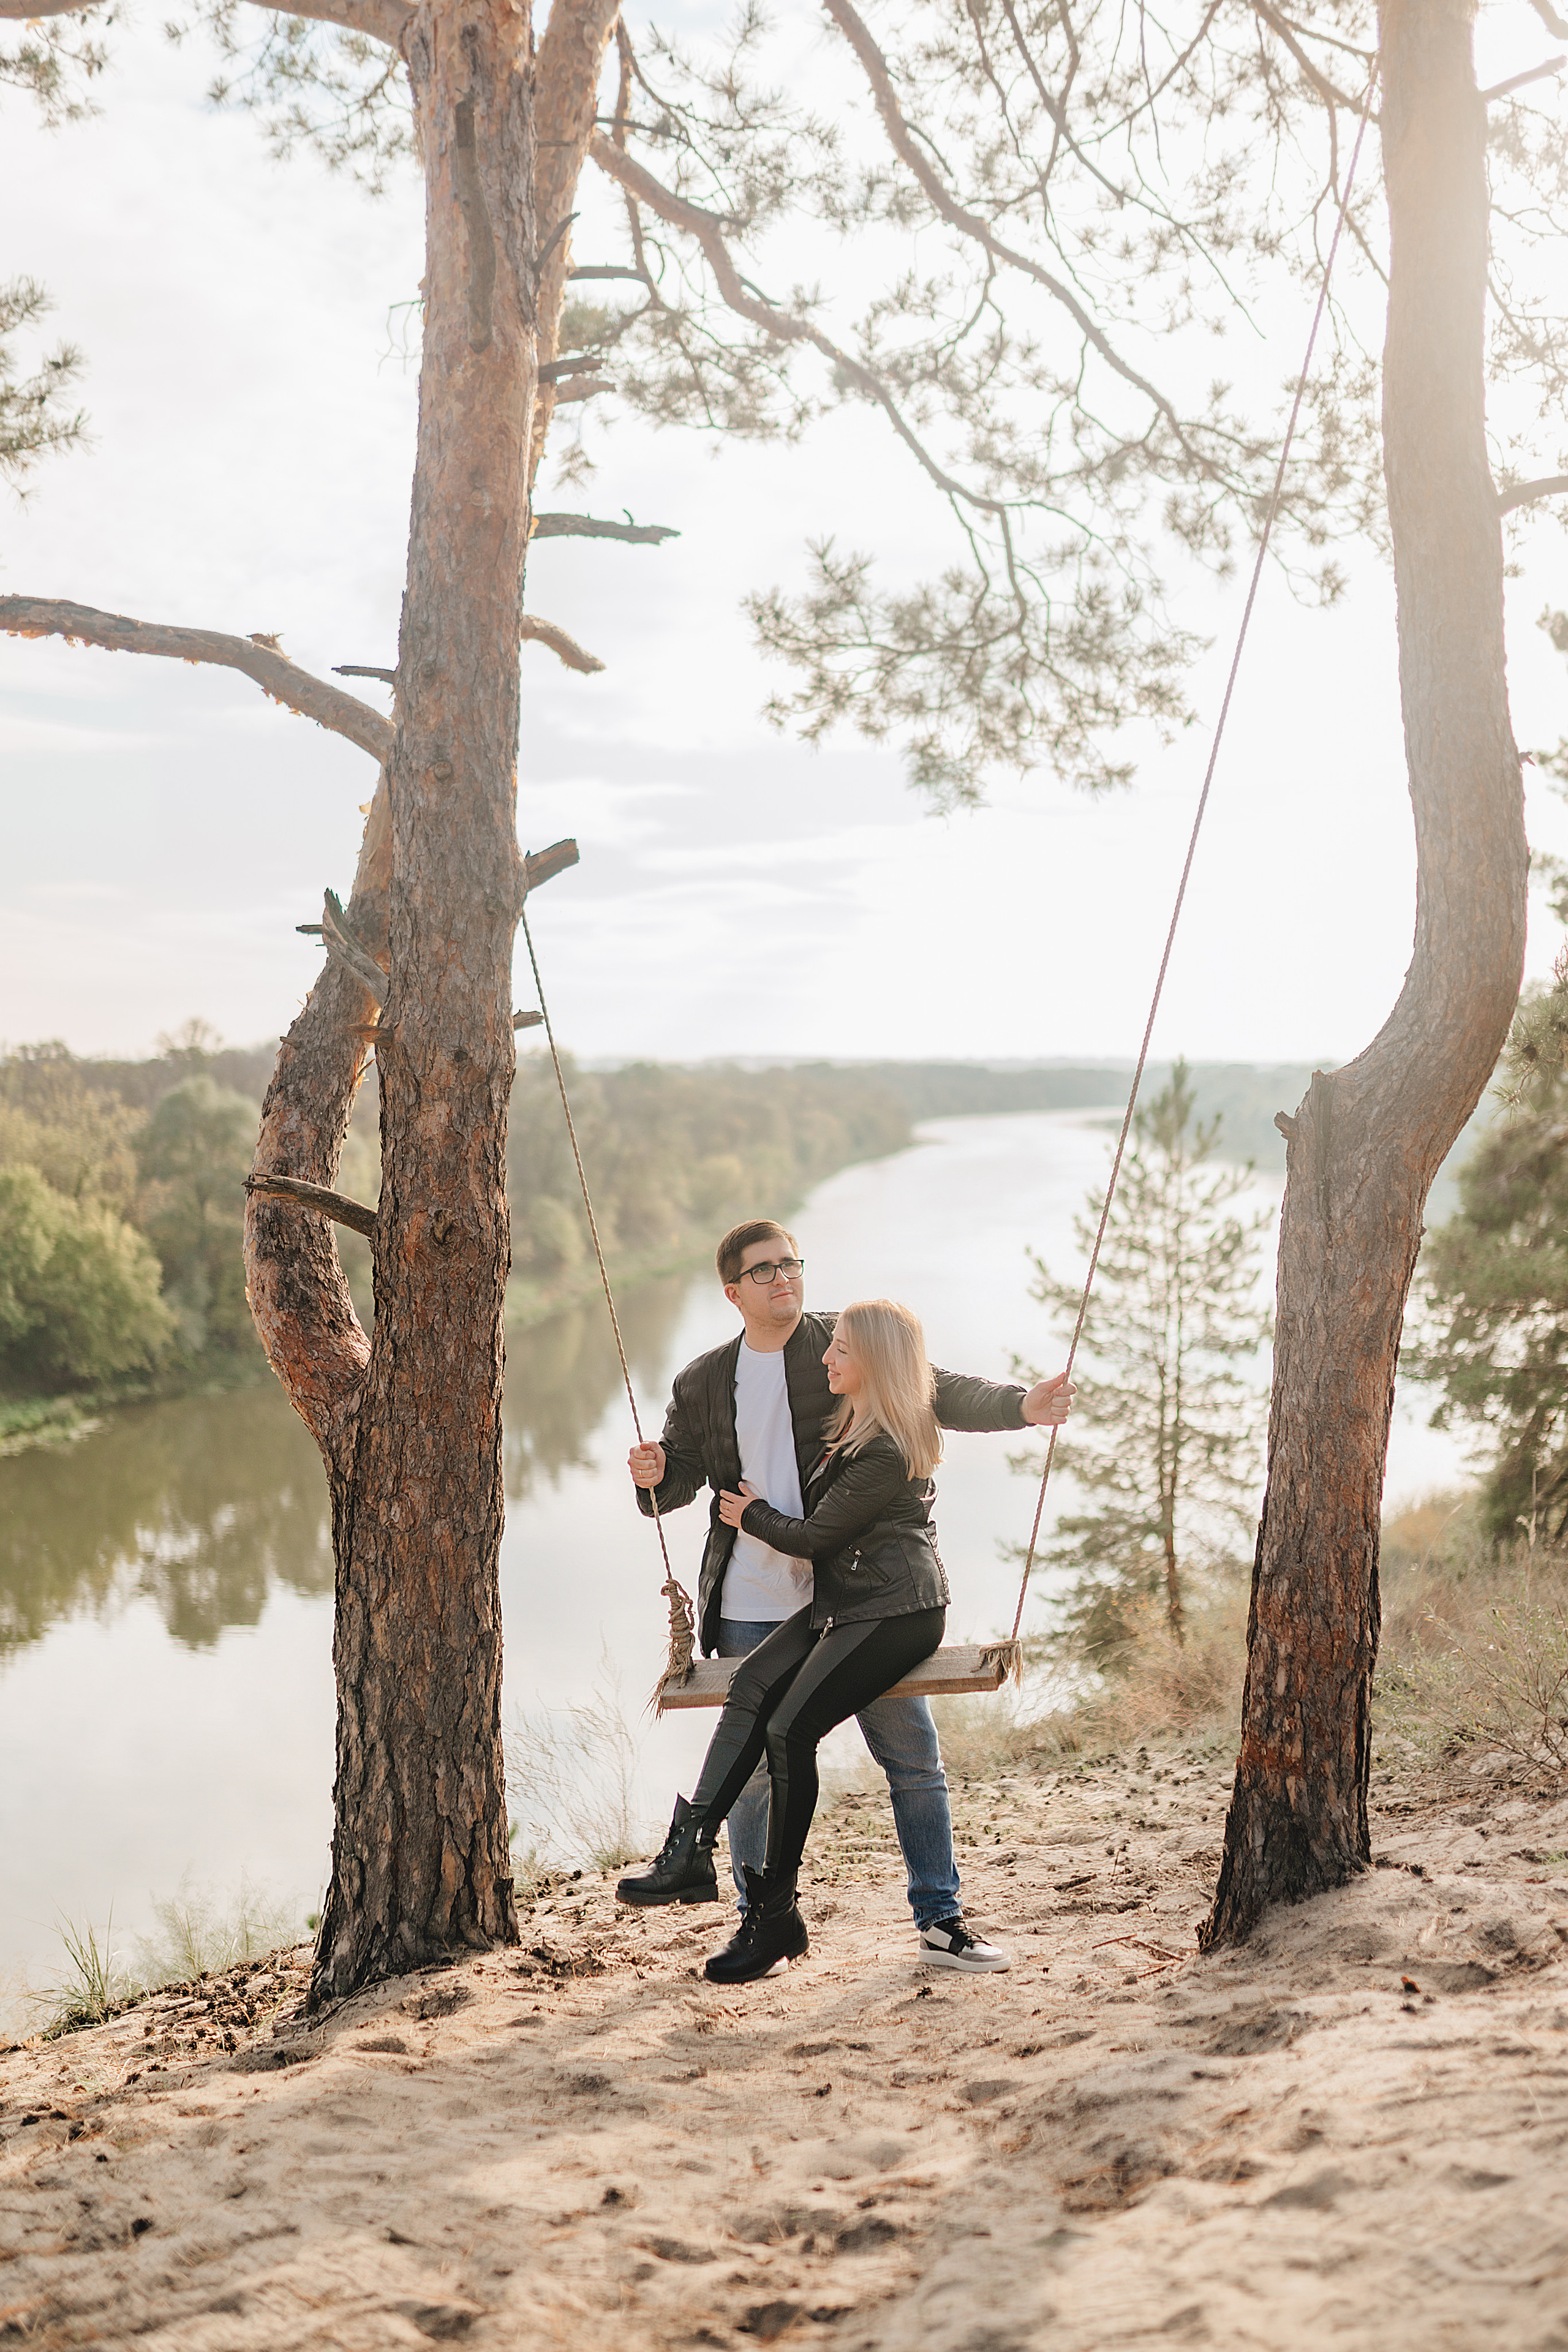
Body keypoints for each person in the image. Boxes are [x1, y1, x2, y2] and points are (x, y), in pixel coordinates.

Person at [618, 1218, 1073, 1972]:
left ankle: (941, 1918)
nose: (784, 1278)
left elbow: (932, 1388)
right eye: (764, 1270)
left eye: (791, 1263)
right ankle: (758, 1922)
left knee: (910, 1759)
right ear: (733, 1292)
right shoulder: (702, 1380)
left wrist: (1020, 1405)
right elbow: (682, 1472)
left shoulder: (840, 1345)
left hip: (852, 1592)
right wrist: (656, 1474)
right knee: (753, 1776)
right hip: (752, 1600)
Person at [620, 1300, 973, 1981]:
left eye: (841, 1350)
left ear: (874, 1362)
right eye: (831, 1346)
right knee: (752, 1685)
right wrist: (660, 1472)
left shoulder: (887, 1445)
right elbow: (690, 1463)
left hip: (896, 1610)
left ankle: (782, 1916)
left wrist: (751, 1514)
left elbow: (815, 1537)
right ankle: (690, 1850)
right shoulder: (847, 1423)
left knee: (792, 1733)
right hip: (847, 1602)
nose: (826, 1358)